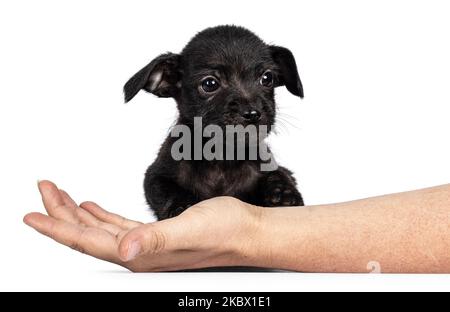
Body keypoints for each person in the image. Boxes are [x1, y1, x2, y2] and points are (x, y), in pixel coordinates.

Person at [24, 180, 450, 273]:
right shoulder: (177, 157)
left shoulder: (265, 166)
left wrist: (256, 230)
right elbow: (159, 180)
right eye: (212, 83)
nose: (250, 100)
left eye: (266, 80)